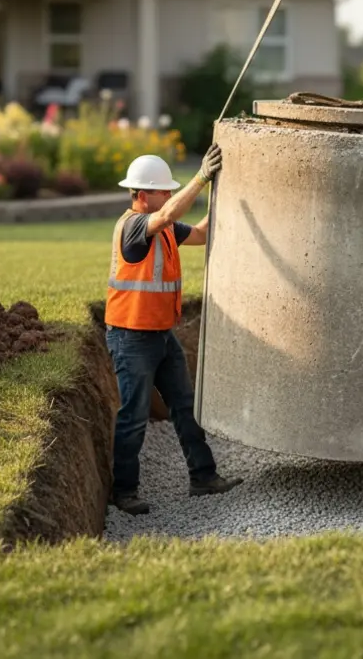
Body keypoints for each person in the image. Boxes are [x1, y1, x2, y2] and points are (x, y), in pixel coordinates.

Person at [105, 144, 242, 515]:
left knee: (184, 405)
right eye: (163, 190)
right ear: (141, 194)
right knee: (134, 417)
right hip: (131, 337)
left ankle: (204, 477)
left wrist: (226, 193)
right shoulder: (134, 226)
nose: (168, 195)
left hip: (161, 335)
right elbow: (167, 214)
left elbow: (200, 233)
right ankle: (124, 492)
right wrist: (201, 177)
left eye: (169, 190)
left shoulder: (164, 229)